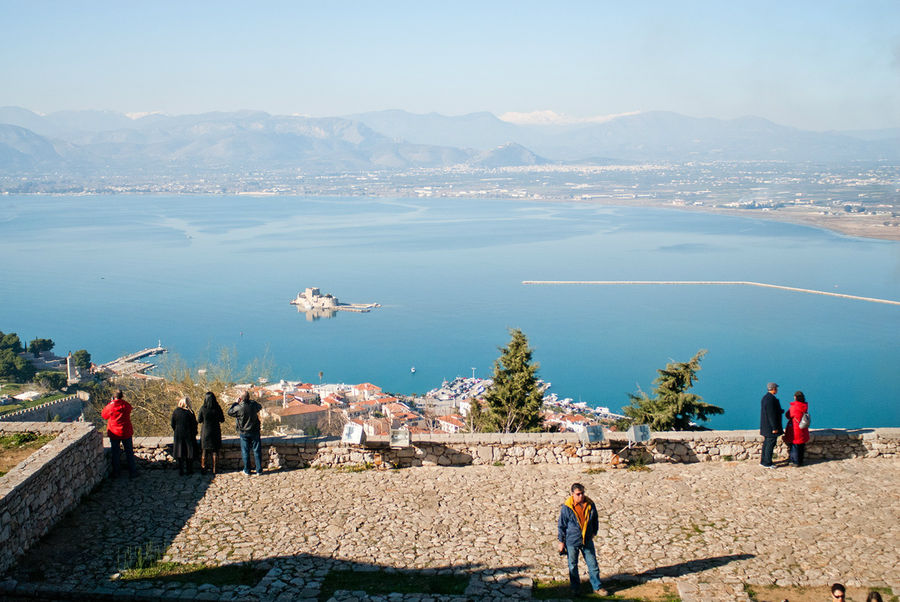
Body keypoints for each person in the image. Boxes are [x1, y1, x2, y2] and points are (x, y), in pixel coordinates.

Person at [557, 483, 607, 596]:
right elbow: (562, 525)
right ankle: (575, 589)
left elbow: (595, 519)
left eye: (582, 493)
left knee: (593, 564)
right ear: (572, 494)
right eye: (578, 494)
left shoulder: (590, 504)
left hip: (587, 540)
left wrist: (594, 532)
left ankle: (597, 587)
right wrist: (561, 541)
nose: (581, 496)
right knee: (573, 566)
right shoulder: (567, 507)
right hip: (572, 541)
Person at [100, 389, 137, 478]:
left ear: (114, 396)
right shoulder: (126, 405)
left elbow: (104, 415)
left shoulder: (111, 406)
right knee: (129, 452)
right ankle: (133, 472)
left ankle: (117, 472)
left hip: (114, 432)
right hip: (126, 431)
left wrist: (111, 402)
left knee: (115, 453)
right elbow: (130, 409)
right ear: (122, 396)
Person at [228, 391, 264, 475]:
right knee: (257, 450)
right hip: (254, 430)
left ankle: (247, 470)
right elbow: (260, 407)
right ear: (249, 397)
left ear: (241, 398)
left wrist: (235, 403)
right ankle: (259, 470)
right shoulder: (253, 404)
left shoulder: (239, 407)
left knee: (245, 451)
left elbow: (230, 412)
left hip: (243, 432)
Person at [197, 391, 225, 474]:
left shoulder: (203, 408)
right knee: (215, 451)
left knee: (204, 451)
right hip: (215, 431)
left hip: (205, 432)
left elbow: (199, 420)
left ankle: (203, 469)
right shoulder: (217, 408)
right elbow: (222, 420)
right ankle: (215, 469)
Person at [171, 396, 198, 475]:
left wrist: (176, 430)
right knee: (189, 452)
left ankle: (181, 470)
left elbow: (172, 424)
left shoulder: (176, 412)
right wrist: (194, 433)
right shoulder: (190, 412)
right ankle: (189, 470)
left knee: (180, 452)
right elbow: (194, 424)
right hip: (188, 435)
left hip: (178, 434)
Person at [759, 382, 783, 468]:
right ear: (773, 389)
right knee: (770, 445)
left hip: (765, 427)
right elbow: (771, 415)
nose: (777, 389)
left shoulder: (765, 398)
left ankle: (763, 461)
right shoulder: (771, 399)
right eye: (776, 388)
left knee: (766, 444)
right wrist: (774, 427)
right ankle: (767, 463)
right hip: (770, 428)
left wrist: (780, 411)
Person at [783, 390, 810, 466]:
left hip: (795, 429)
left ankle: (795, 461)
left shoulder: (795, 406)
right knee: (801, 445)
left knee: (795, 445)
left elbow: (788, 415)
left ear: (795, 397)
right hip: (803, 428)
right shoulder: (804, 406)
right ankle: (800, 460)